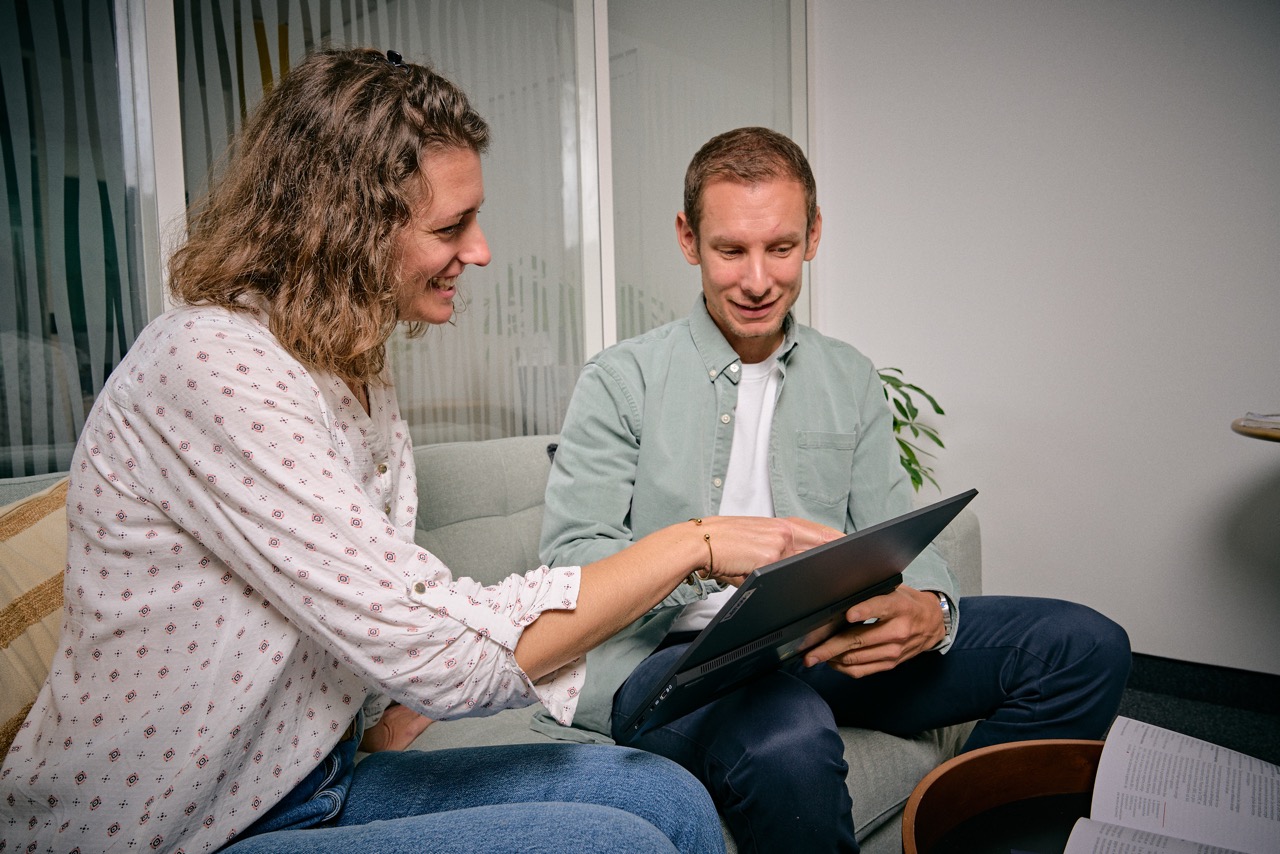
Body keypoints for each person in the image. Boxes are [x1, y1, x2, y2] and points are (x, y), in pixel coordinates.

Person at [0, 53, 839, 854]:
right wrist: (692, 542)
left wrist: (375, 705)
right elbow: (440, 651)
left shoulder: (349, 363)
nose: (479, 252)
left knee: (666, 796)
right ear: (347, 229)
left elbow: (364, 592)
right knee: (615, 843)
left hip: (313, 780)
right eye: (452, 226)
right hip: (183, 830)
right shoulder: (213, 364)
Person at [537, 126, 1132, 853]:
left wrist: (930, 608)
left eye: (781, 248)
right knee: (789, 740)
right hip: (678, 665)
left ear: (813, 235)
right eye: (731, 250)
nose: (758, 281)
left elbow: (894, 527)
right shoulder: (620, 380)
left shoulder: (848, 377)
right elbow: (574, 562)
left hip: (822, 643)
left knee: (1082, 646)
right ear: (688, 239)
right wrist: (704, 560)